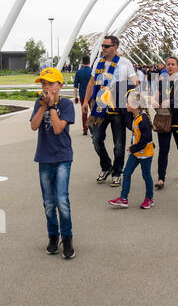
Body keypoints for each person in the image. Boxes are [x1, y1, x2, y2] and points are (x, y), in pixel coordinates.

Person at [30, 67, 76, 259]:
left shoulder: (66, 105)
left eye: (49, 83)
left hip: (62, 157)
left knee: (62, 200)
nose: (45, 87)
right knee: (49, 202)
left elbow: (57, 129)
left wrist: (51, 107)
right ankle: (52, 236)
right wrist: (42, 106)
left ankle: (67, 238)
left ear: (60, 85)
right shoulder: (38, 103)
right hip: (44, 157)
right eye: (43, 83)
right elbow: (34, 126)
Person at [82, 36, 137, 187]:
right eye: (103, 46)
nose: (103, 49)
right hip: (99, 106)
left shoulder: (124, 63)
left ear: (115, 47)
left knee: (119, 144)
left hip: (117, 108)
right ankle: (106, 166)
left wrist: (118, 87)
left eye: (106, 46)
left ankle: (117, 172)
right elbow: (92, 82)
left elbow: (135, 82)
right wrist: (86, 101)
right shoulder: (98, 63)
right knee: (96, 139)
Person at [108, 91, 154, 209]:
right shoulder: (136, 117)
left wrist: (134, 147)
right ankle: (123, 199)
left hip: (145, 154)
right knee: (127, 173)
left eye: (127, 103)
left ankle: (149, 199)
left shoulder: (142, 119)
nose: (126, 105)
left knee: (146, 175)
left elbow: (147, 137)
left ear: (135, 105)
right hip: (136, 153)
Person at [153, 57, 178, 189]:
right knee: (163, 150)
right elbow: (156, 97)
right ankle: (161, 178)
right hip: (164, 120)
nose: (170, 66)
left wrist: (169, 102)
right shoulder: (162, 82)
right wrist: (154, 102)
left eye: (173, 64)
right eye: (168, 64)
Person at [74, 55, 92, 135]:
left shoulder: (78, 72)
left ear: (82, 62)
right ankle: (93, 126)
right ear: (89, 62)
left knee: (84, 112)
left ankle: (85, 129)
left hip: (82, 95)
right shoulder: (92, 71)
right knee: (93, 111)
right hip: (91, 95)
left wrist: (75, 97)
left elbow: (75, 86)